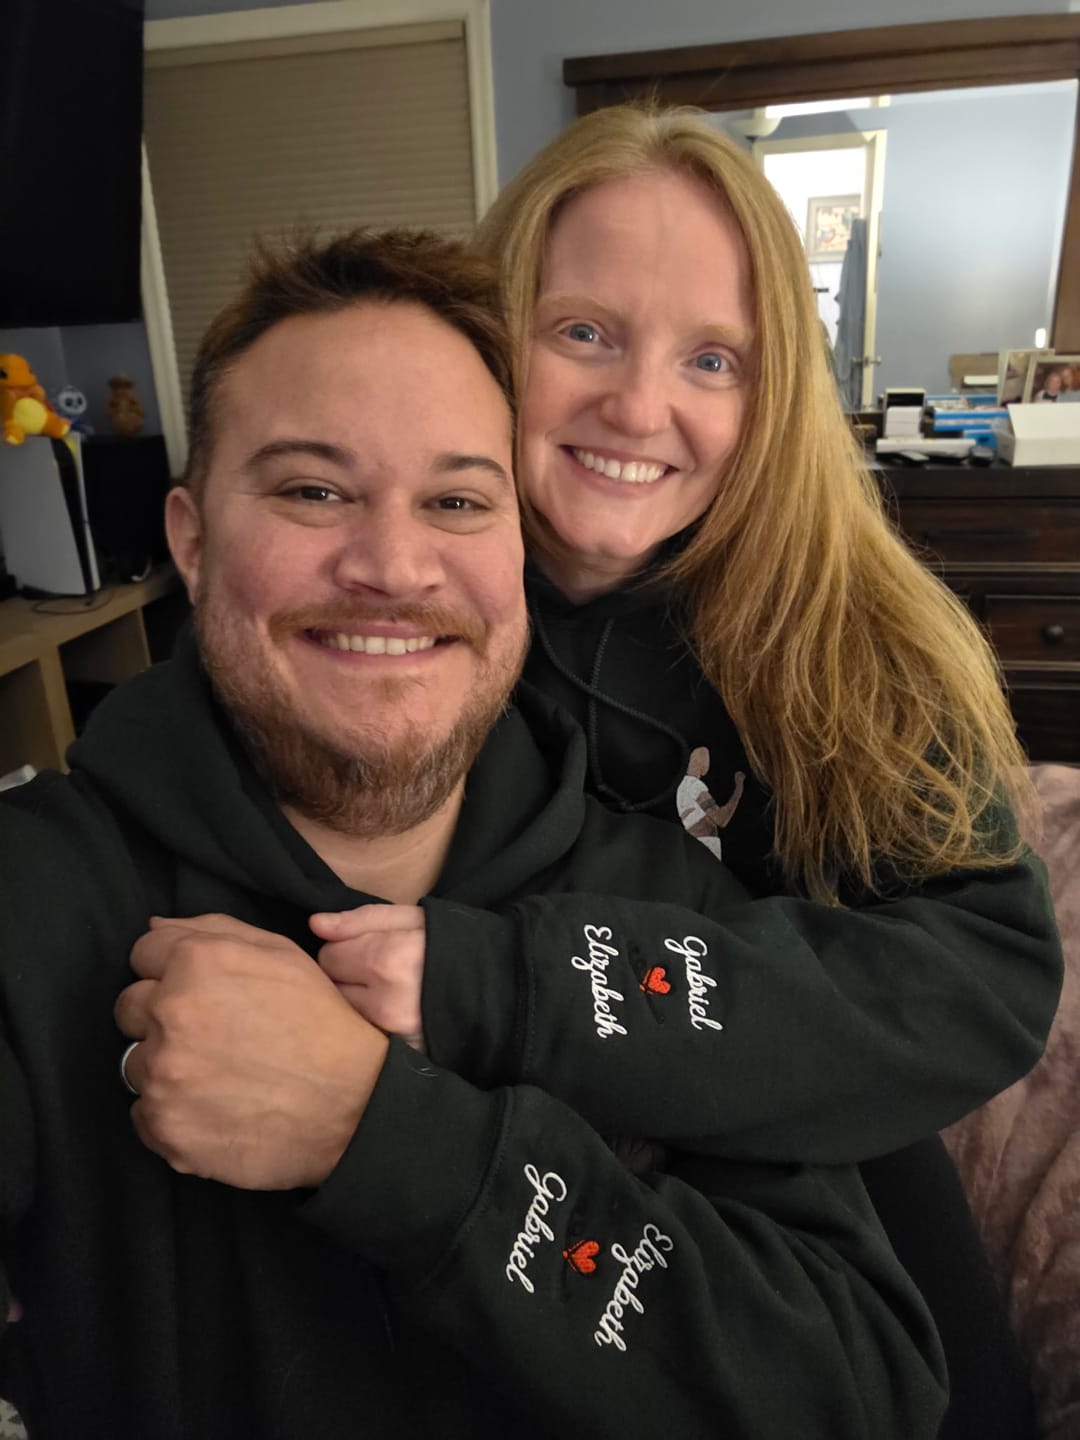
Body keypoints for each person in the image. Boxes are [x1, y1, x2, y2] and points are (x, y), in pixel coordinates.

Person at [0, 229, 947, 1438]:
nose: (392, 564)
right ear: (190, 541)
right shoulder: (32, 896)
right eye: (311, 490)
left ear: (517, 551)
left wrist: (389, 1141)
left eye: (456, 499)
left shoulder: (670, 911)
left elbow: (857, 1396)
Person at [314, 106, 1061, 1435]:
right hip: (497, 1210)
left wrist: (521, 987)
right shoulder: (401, 605)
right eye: (584, 332)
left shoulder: (851, 631)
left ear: (769, 397)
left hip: (820, 1199)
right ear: (495, 340)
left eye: (712, 359)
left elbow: (975, 974)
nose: (637, 406)